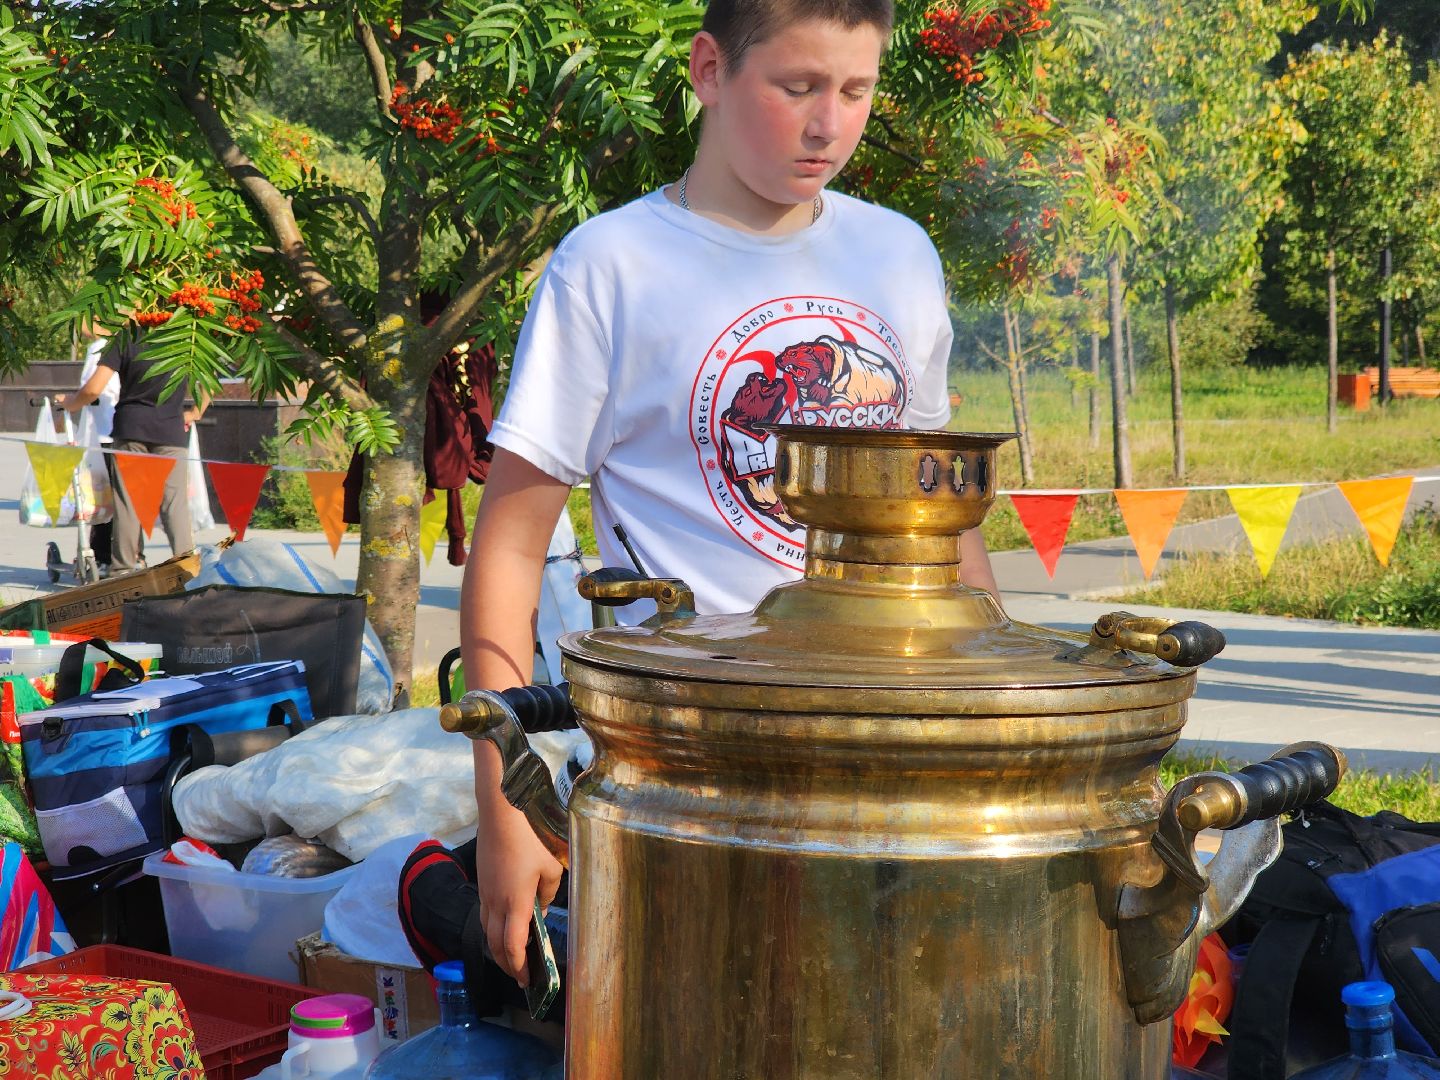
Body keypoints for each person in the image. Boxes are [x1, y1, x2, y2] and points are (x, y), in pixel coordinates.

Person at [457, 0, 1000, 990]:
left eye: (855, 90)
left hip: (887, 748)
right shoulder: (612, 266)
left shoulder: (898, 256)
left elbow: (936, 515)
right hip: (685, 772)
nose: (829, 124)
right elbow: (509, 540)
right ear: (710, 69)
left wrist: (997, 707)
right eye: (796, 88)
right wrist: (504, 803)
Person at [58, 327, 206, 572]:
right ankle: (188, 570)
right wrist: (195, 413)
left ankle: (124, 570)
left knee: (129, 503)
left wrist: (71, 404)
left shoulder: (127, 338)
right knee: (174, 505)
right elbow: (209, 386)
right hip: (170, 431)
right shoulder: (186, 337)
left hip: (131, 430)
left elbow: (94, 388)